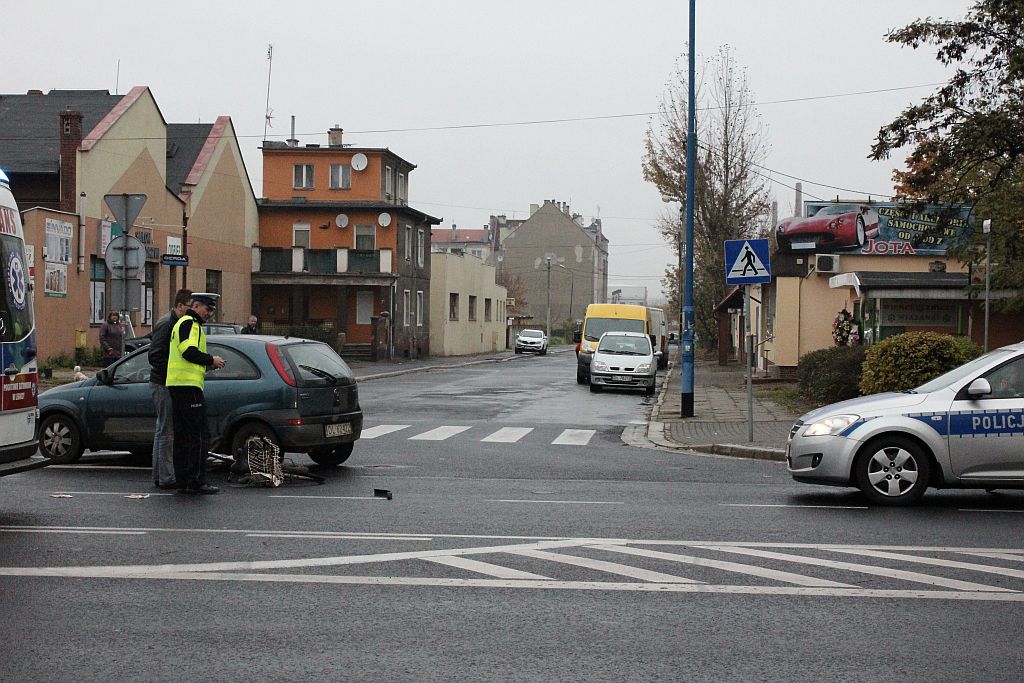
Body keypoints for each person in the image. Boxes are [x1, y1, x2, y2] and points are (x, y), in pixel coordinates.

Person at [167, 292, 225, 495]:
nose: (209, 314)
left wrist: (205, 366)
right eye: (208, 309)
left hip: (177, 384)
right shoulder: (190, 324)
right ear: (197, 305)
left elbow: (185, 356)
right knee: (200, 435)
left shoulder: (182, 323)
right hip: (188, 387)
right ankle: (197, 481)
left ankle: (182, 481)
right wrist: (211, 360)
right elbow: (187, 351)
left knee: (182, 436)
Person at [148, 288, 192, 489]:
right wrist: (174, 371)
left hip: (165, 381)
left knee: (162, 429)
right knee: (166, 431)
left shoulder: (174, 322)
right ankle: (165, 477)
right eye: (189, 307)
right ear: (180, 305)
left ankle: (160, 475)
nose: (191, 312)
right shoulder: (167, 324)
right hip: (163, 382)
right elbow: (155, 355)